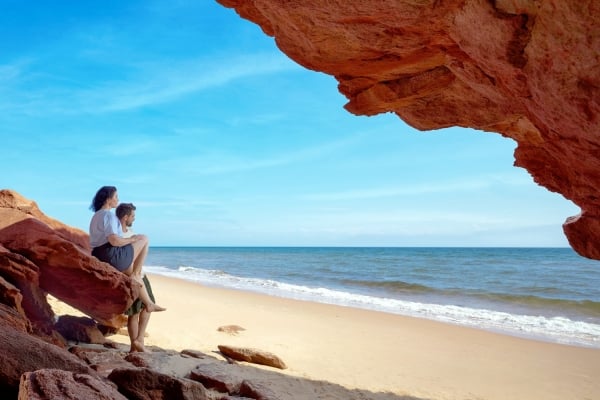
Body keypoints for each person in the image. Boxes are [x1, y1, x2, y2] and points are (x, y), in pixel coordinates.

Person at [89, 186, 165, 352]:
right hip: (110, 254)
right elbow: (115, 241)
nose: (117, 199)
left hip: (100, 254)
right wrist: (131, 239)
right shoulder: (108, 215)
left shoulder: (96, 216)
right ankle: (138, 278)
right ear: (108, 198)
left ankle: (137, 342)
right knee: (144, 238)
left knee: (137, 309)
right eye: (116, 196)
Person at [116, 202, 156, 353]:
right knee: (134, 312)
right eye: (133, 216)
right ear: (125, 217)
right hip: (131, 276)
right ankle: (135, 345)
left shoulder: (130, 232)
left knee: (146, 307)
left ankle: (138, 341)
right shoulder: (118, 234)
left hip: (141, 274)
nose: (134, 219)